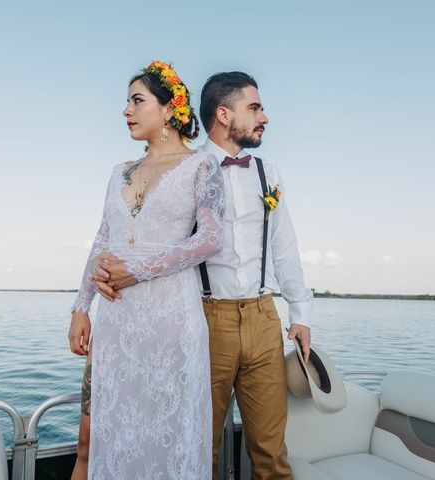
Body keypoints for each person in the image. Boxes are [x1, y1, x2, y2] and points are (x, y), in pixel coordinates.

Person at [68, 60, 224, 480]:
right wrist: (81, 307)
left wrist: (135, 270)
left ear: (170, 108)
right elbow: (102, 239)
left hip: (170, 318)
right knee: (106, 433)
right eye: (127, 102)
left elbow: (210, 239)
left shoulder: (202, 167)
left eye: (137, 101)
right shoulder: (118, 172)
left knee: (167, 433)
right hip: (116, 320)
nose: (127, 110)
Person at [197, 71, 314, 479]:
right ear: (224, 114)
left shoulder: (269, 173)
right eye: (255, 108)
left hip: (265, 320)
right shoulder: (187, 170)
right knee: (199, 449)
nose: (265, 117)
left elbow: (284, 247)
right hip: (205, 320)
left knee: (270, 451)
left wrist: (299, 313)